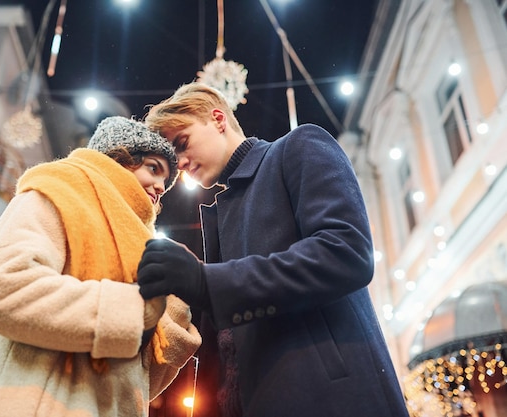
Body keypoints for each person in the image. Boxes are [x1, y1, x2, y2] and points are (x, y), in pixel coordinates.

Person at [137, 82, 410, 417]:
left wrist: (207, 282)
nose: (179, 162)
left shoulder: (298, 146)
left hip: (327, 399)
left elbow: (346, 252)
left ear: (218, 119)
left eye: (182, 143)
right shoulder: (220, 214)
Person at [0, 116, 202, 417]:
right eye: (153, 168)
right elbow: (8, 289)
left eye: (165, 182)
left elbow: (137, 384)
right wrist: (133, 309)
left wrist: (174, 306)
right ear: (119, 158)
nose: (159, 186)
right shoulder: (56, 192)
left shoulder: (139, 247)